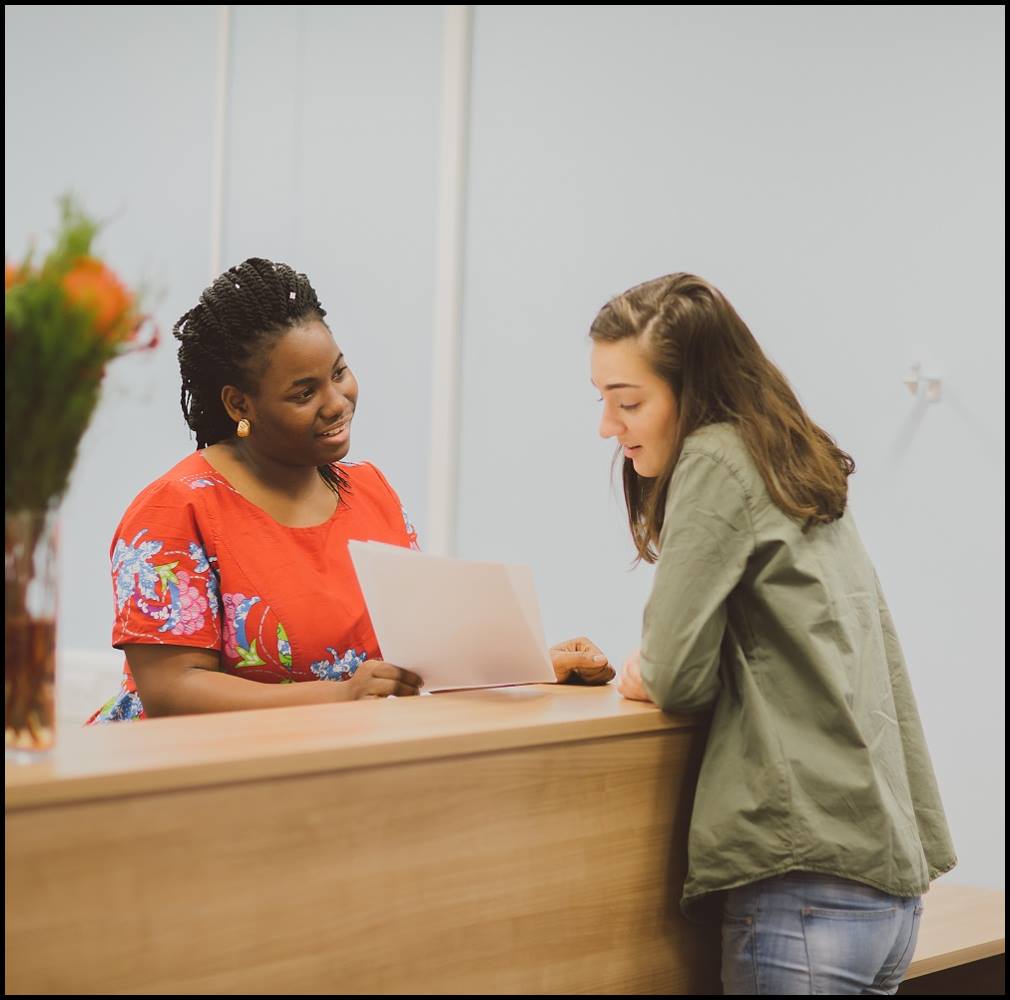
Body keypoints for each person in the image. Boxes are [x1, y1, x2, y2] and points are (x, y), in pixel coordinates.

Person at [588, 272, 957, 994]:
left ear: (689, 391)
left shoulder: (716, 459)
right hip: (881, 889)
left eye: (626, 402)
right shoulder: (789, 453)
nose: (608, 426)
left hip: (804, 891)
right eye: (601, 400)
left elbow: (677, 676)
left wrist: (643, 669)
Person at [87, 257, 612, 723]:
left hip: (340, 776)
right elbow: (171, 693)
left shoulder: (371, 490)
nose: (337, 401)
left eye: (339, 372)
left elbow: (417, 659)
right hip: (185, 790)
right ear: (239, 404)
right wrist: (338, 697)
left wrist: (536, 667)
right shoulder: (175, 509)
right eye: (304, 392)